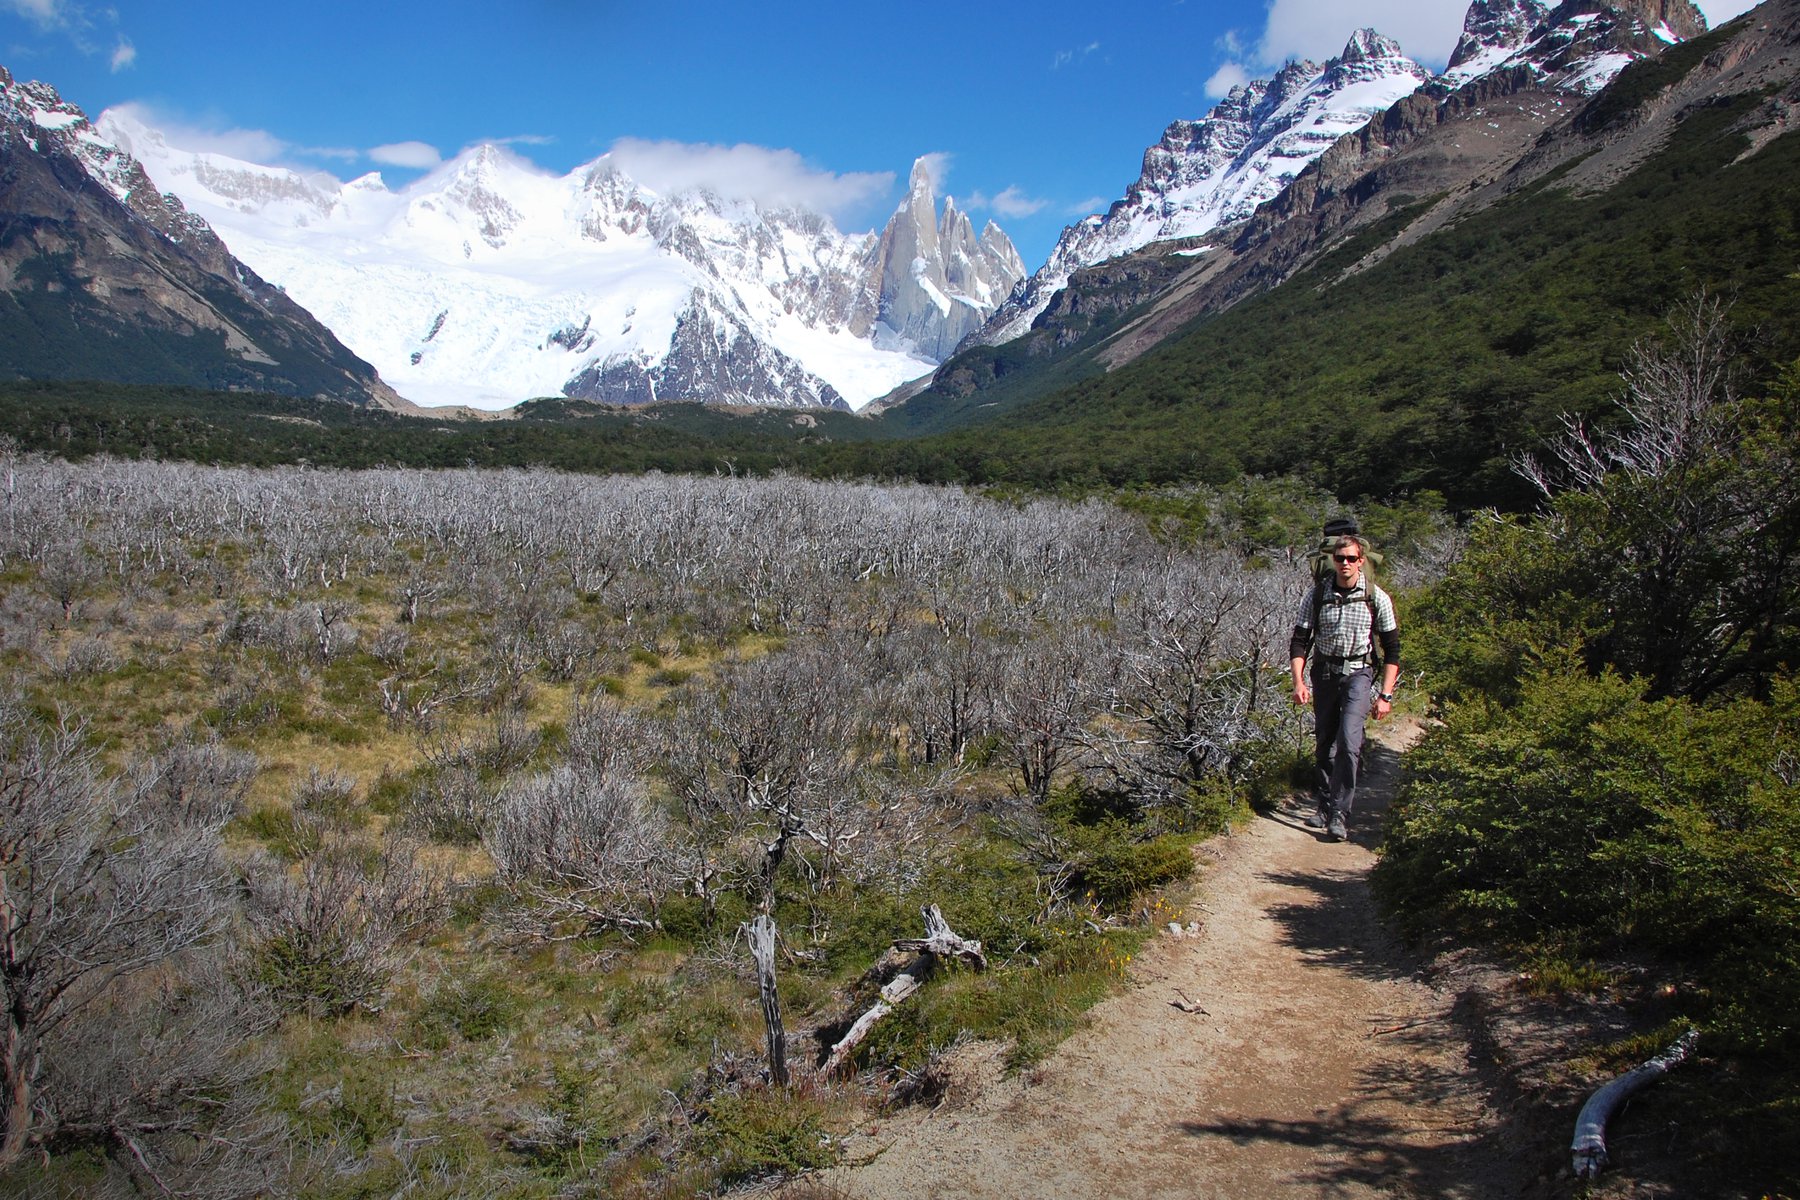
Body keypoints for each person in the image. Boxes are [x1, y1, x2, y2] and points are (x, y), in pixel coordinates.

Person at [1288, 531, 1400, 842]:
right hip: (1324, 674)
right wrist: (1298, 681)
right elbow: (1299, 642)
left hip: (1359, 674)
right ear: (1332, 561)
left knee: (1350, 743)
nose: (1346, 563)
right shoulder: (1317, 595)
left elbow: (1392, 650)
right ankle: (1324, 805)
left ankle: (1340, 813)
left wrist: (1385, 695)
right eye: (1340, 559)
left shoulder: (1376, 597)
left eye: (1352, 559)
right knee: (1325, 743)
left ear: (1361, 562)